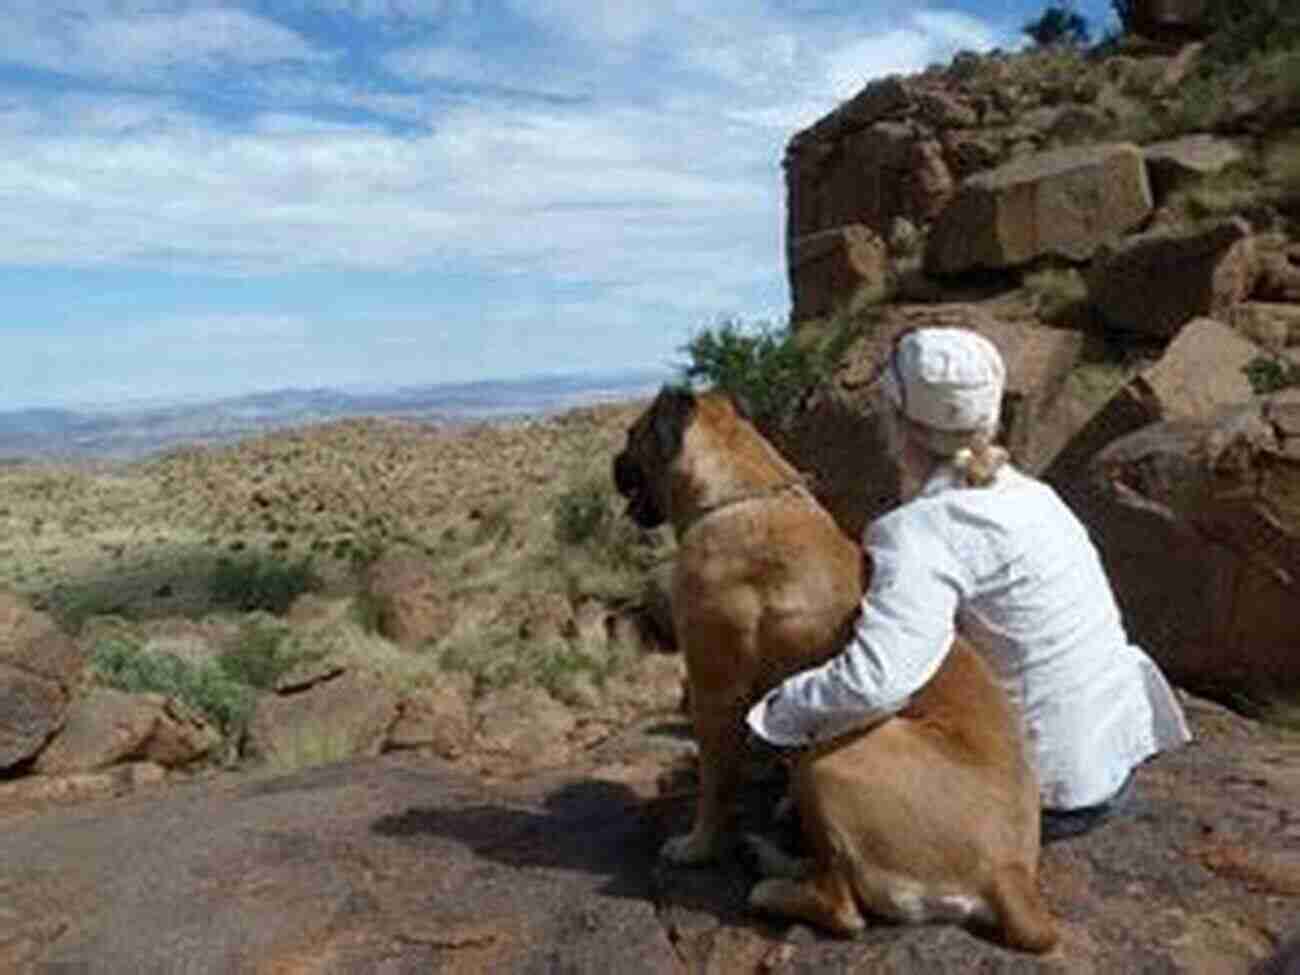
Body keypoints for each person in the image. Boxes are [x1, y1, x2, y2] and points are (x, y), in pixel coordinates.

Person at [746, 326, 1191, 841]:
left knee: (824, 769)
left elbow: (878, 682)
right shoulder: (1037, 497)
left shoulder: (916, 532)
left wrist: (777, 713)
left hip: (1040, 799)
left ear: (896, 423)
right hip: (1113, 764)